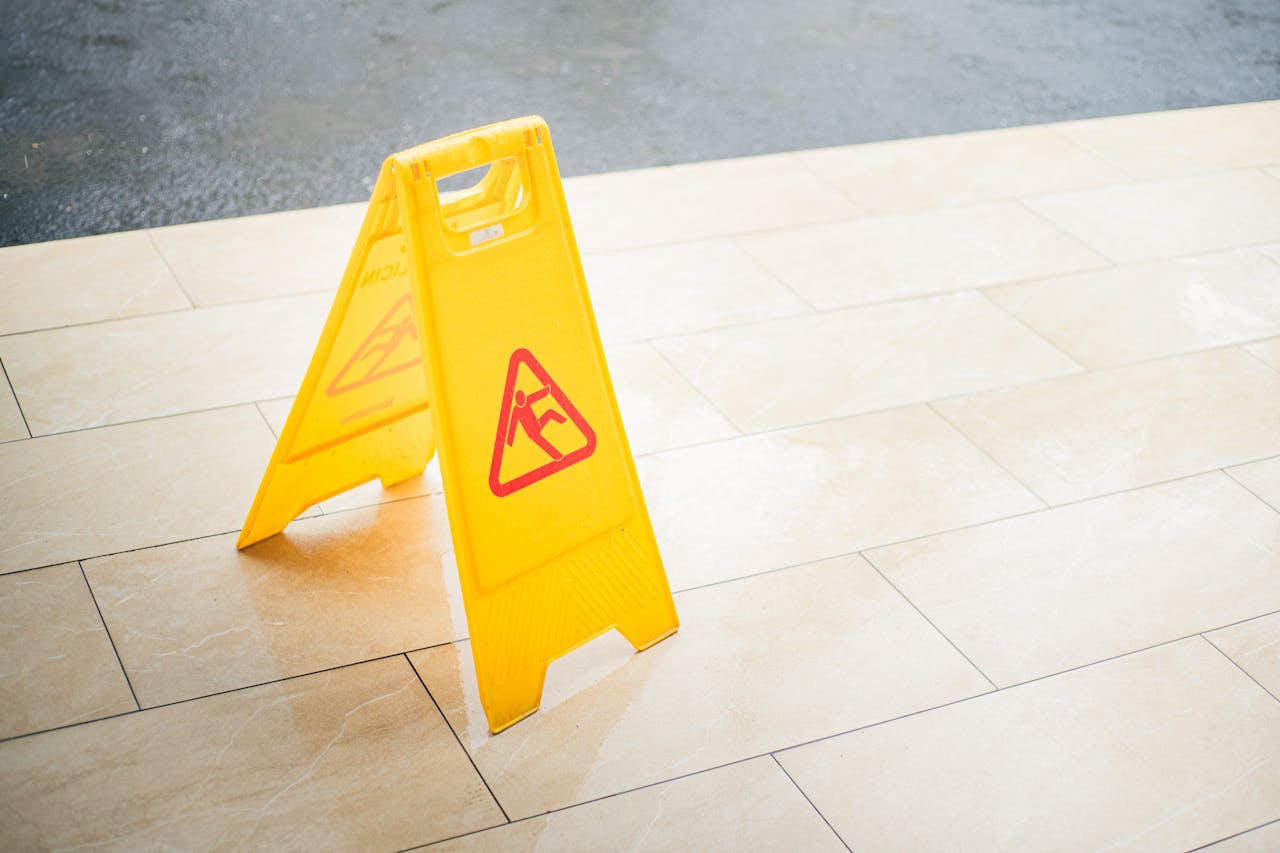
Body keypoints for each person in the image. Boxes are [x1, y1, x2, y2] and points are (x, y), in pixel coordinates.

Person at [507, 385, 566, 460]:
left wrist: (548, 389)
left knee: (550, 413)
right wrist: (509, 442)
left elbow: (537, 395)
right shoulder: (516, 410)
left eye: (523, 399)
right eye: (520, 400)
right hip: (532, 434)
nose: (522, 401)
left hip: (538, 424)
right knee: (544, 444)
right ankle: (558, 456)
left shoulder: (527, 400)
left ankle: (565, 421)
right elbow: (513, 425)